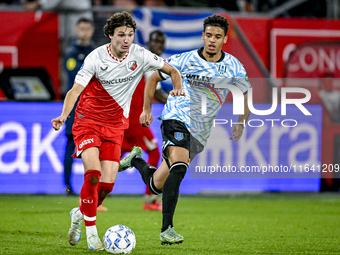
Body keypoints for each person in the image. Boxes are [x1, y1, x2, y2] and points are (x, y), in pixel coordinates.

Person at [51, 11, 183, 251]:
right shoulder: (96, 57)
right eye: (121, 34)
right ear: (110, 35)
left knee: (107, 184)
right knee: (93, 173)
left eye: (130, 35)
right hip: (88, 120)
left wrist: (178, 88)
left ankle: (79, 213)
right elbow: (74, 90)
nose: (126, 39)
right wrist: (63, 115)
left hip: (114, 125)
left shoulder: (140, 55)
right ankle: (92, 232)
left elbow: (173, 71)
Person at [119, 14, 251, 245]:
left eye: (217, 37)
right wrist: (147, 110)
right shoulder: (184, 60)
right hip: (176, 118)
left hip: (200, 132)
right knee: (180, 167)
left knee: (156, 184)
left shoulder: (233, 67)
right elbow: (152, 79)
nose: (212, 40)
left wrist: (241, 121)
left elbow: (245, 94)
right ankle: (166, 229)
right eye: (208, 35)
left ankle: (135, 161)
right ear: (202, 36)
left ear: (224, 39)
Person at [121, 30, 168, 211]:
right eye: (155, 41)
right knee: (155, 152)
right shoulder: (148, 62)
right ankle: (150, 199)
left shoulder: (147, 61)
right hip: (134, 121)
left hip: (128, 119)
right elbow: (155, 92)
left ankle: (90, 198)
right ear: (148, 43)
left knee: (112, 159)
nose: (159, 45)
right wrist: (176, 100)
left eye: (161, 42)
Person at [63, 18, 95, 197]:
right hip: (75, 107)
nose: (84, 32)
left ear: (92, 30)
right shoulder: (72, 53)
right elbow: (74, 77)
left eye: (87, 29)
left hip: (93, 107)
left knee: (94, 147)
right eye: (81, 29)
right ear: (77, 30)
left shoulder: (96, 52)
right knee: (70, 144)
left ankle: (95, 186)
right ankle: (68, 186)